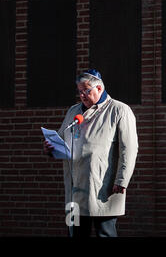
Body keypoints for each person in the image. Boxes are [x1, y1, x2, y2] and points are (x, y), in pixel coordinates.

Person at [43, 69, 138, 237]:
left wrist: (121, 180)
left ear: (99, 88)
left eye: (86, 91)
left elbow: (129, 148)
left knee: (105, 234)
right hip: (75, 189)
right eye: (79, 91)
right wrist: (51, 147)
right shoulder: (73, 111)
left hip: (103, 186)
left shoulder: (119, 110)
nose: (82, 96)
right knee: (76, 234)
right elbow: (60, 137)